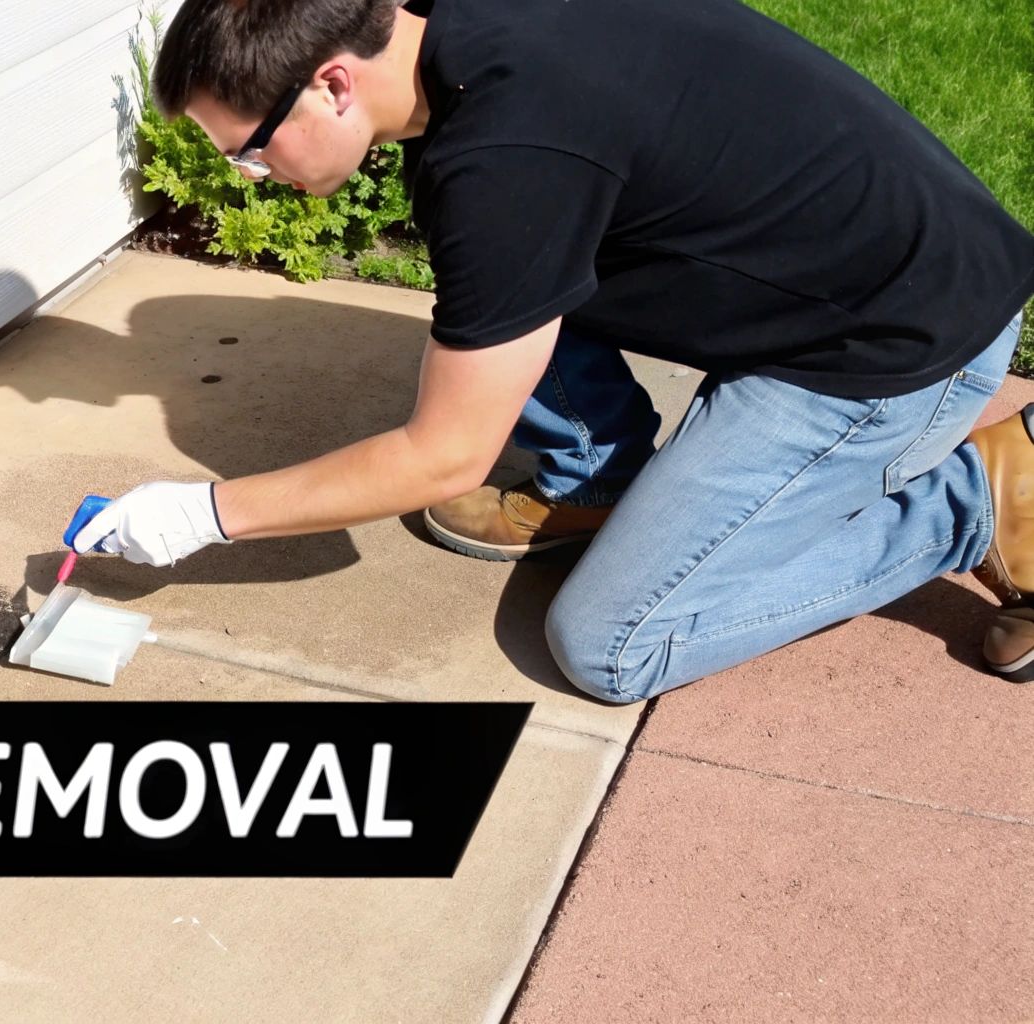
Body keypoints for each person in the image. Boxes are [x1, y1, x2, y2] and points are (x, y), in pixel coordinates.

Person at [70, 0, 1034, 702]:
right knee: (491, 290)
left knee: (611, 644)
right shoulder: (443, 38)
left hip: (893, 344)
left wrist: (206, 513)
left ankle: (976, 503)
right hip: (857, 257)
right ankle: (598, 479)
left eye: (250, 148)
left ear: (332, 83)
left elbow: (442, 455)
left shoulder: (507, 160)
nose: (250, 173)